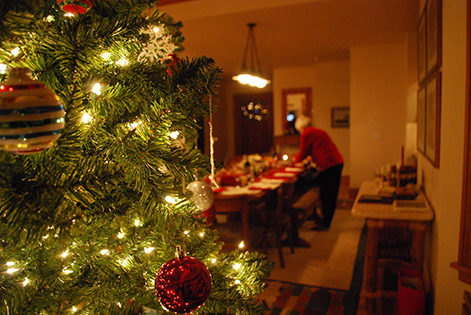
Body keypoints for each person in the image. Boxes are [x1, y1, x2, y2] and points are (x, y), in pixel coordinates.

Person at [292, 115, 344, 231]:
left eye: (299, 130)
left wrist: (293, 161)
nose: (300, 133)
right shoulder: (317, 131)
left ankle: (325, 223)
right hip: (336, 162)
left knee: (327, 194)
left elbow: (303, 152)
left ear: (301, 127)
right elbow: (317, 148)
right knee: (329, 192)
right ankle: (324, 219)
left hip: (330, 164)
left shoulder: (307, 133)